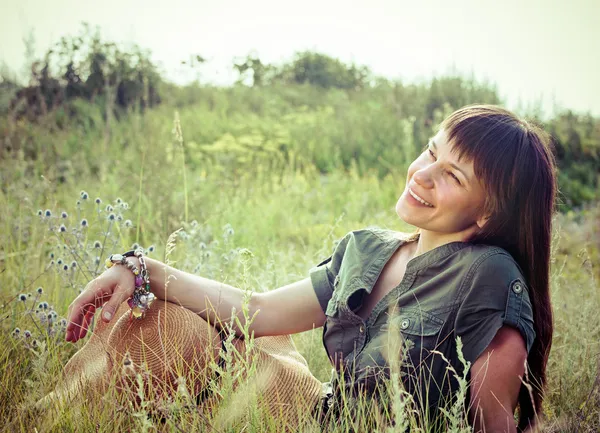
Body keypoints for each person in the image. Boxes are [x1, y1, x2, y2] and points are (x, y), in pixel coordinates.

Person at [65, 104, 556, 432]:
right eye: (430, 151)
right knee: (160, 320)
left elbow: (492, 423)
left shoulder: (489, 275)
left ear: (489, 212)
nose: (421, 175)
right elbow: (254, 311)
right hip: (314, 412)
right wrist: (141, 268)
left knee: (206, 345)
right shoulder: (366, 249)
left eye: (450, 175)